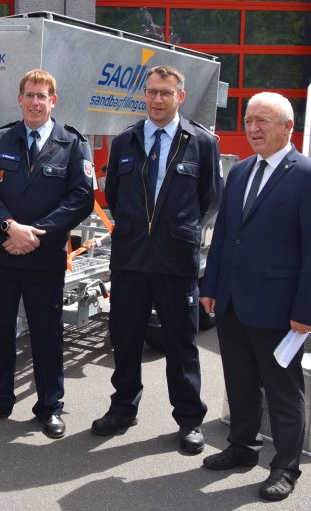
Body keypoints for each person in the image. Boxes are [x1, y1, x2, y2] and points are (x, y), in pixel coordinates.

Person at [200, 92, 311, 500]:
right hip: (232, 303)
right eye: (248, 121)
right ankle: (243, 448)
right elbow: (225, 236)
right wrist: (210, 286)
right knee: (239, 383)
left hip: (279, 310)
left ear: (288, 128)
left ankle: (285, 467)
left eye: (263, 121)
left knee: (282, 392)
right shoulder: (239, 172)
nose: (253, 129)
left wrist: (305, 311)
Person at [91, 65, 223, 453]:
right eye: (151, 92)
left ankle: (188, 419)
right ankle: (122, 408)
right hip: (131, 259)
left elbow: (210, 199)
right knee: (126, 338)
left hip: (175, 261)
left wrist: (179, 230)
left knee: (181, 343)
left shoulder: (201, 141)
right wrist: (139, 228)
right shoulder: (126, 141)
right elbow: (114, 194)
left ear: (180, 96)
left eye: (166, 92)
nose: (157, 99)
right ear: (144, 95)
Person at [0, 68, 95, 439]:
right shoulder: (0, 138)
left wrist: (35, 233)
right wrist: (11, 227)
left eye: (43, 96)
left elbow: (81, 198)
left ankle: (50, 407)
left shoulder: (73, 144)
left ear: (53, 101)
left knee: (46, 333)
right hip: (5, 254)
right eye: (30, 95)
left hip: (44, 257)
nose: (36, 102)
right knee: (1, 330)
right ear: (20, 99)